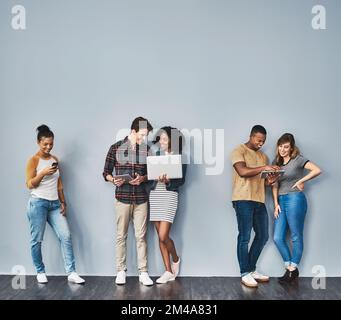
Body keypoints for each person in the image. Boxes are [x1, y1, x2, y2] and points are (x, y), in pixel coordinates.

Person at [25, 125, 85, 284]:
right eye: (45, 144)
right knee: (37, 239)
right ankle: (40, 271)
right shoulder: (34, 160)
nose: (48, 147)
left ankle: (71, 272)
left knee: (65, 235)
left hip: (54, 204)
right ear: (38, 142)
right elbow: (30, 184)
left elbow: (59, 184)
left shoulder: (55, 160)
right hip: (37, 203)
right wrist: (42, 173)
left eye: (51, 144)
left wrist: (63, 202)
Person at [103, 116, 154, 286]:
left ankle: (143, 272)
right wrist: (113, 180)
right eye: (142, 134)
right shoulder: (116, 148)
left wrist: (143, 178)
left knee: (141, 237)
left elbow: (151, 175)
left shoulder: (146, 150)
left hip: (141, 199)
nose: (144, 138)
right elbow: (106, 172)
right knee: (121, 236)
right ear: (133, 131)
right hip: (122, 198)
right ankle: (120, 271)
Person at [231, 125, 280, 288]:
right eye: (259, 140)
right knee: (244, 236)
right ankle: (245, 273)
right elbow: (242, 171)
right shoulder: (238, 150)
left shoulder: (263, 157)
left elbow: (264, 181)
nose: (261, 143)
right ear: (251, 136)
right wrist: (264, 168)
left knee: (263, 236)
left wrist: (270, 180)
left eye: (263, 141)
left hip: (259, 201)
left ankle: (251, 269)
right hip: (243, 199)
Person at [272, 133, 321, 283]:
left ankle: (292, 270)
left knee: (295, 236)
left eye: (286, 147)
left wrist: (301, 180)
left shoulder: (298, 159)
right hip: (281, 200)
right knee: (278, 237)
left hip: (295, 199)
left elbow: (317, 170)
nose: (283, 149)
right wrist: (275, 204)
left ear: (291, 147)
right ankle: (290, 268)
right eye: (280, 146)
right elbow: (274, 184)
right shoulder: (276, 162)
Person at [149, 127, 187, 284]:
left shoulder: (180, 157)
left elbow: (182, 181)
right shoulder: (156, 155)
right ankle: (168, 271)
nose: (161, 142)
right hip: (155, 194)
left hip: (169, 195)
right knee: (160, 236)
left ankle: (176, 258)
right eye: (160, 139)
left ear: (173, 140)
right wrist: (154, 177)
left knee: (164, 235)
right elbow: (150, 176)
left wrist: (168, 181)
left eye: (165, 139)